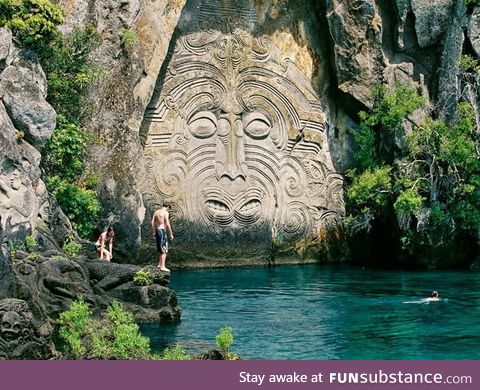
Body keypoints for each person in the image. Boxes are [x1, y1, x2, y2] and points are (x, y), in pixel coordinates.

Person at [152, 203, 174, 272]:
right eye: (169, 209)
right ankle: (163, 266)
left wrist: (153, 232)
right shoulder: (165, 212)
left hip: (157, 230)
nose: (169, 211)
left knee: (160, 249)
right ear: (167, 207)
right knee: (164, 250)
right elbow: (167, 224)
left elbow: (152, 222)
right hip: (162, 231)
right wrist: (171, 234)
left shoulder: (156, 212)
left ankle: (159, 264)